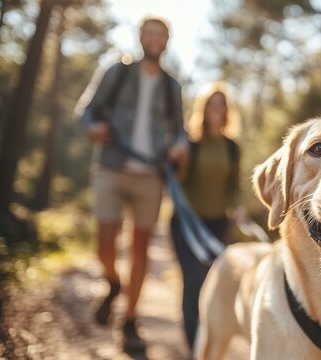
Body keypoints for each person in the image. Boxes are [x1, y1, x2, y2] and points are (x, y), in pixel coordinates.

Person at [78, 17, 187, 353]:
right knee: (104, 242)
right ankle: (112, 283)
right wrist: (93, 127)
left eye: (161, 34)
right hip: (112, 166)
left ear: (167, 40)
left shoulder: (172, 87)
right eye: (149, 33)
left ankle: (130, 317)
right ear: (140, 38)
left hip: (151, 176)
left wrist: (180, 145)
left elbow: (180, 130)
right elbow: (86, 111)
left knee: (140, 247)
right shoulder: (117, 71)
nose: (155, 39)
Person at [170, 85, 243, 350]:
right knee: (193, 281)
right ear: (203, 108)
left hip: (217, 225)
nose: (216, 109)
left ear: (226, 110)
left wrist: (237, 207)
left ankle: (208, 340)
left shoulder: (232, 148)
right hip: (187, 225)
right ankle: (194, 346)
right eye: (211, 104)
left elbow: (234, 186)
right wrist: (175, 161)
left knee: (212, 284)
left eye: (220, 104)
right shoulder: (190, 145)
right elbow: (176, 182)